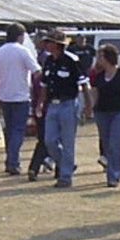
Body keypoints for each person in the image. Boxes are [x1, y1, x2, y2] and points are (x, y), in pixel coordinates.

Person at [35, 29, 88, 187]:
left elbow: (83, 84)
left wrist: (88, 105)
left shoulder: (72, 60)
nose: (46, 45)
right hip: (52, 104)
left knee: (67, 142)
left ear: (57, 44)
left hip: (68, 104)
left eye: (49, 42)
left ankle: (65, 177)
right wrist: (40, 103)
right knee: (49, 140)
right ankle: (67, 165)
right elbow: (44, 85)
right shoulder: (48, 61)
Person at [0, 23, 40, 175]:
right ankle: (12, 161)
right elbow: (36, 71)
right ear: (20, 36)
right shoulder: (23, 51)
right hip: (20, 96)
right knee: (18, 130)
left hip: (4, 95)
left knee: (10, 130)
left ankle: (11, 159)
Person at [88, 43, 120, 187]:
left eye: (101, 56)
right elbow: (94, 94)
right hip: (102, 113)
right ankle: (117, 169)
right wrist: (89, 108)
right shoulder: (98, 76)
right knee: (107, 144)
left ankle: (112, 176)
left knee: (115, 143)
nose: (98, 59)